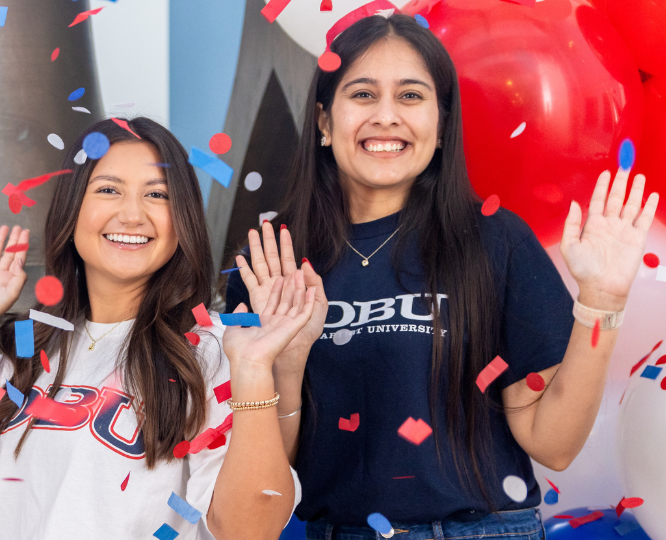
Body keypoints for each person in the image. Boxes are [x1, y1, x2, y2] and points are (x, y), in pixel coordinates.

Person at [227, 13, 657, 540]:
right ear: (323, 120)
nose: (387, 117)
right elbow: (272, 474)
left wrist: (601, 300)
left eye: (411, 97)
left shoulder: (494, 240)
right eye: (362, 95)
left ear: (441, 122)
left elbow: (554, 445)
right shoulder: (274, 261)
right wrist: (286, 366)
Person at [0, 117, 313, 539]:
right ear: (72, 210)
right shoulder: (31, 348)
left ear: (182, 220)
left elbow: (249, 531)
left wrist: (253, 368)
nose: (131, 214)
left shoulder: (214, 350)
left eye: (157, 195)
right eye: (108, 189)